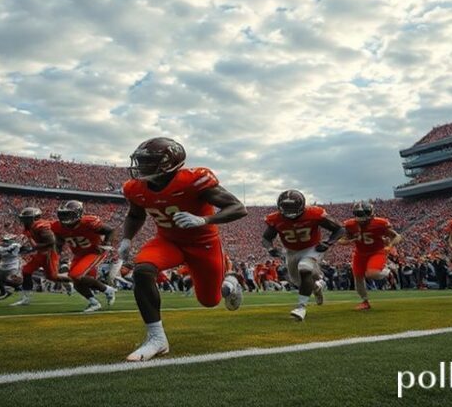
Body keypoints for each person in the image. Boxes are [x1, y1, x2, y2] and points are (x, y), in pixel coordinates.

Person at [119, 137, 247, 361]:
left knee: (210, 301)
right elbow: (135, 215)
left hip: (203, 244)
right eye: (141, 161)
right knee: (143, 270)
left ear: (169, 163)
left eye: (148, 162)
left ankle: (230, 284)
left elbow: (238, 207)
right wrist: (127, 239)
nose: (141, 167)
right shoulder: (135, 188)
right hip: (168, 240)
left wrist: (204, 220)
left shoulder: (193, 180)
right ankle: (157, 339)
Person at [262, 189, 344, 321]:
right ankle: (317, 287)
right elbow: (266, 238)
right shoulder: (275, 218)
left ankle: (301, 308)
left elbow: (339, 229)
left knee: (304, 268)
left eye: (292, 208)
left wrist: (328, 243)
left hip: (311, 248)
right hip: (291, 251)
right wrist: (270, 248)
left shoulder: (314, 213)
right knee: (298, 282)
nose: (290, 213)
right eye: (286, 208)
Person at [51, 200, 117, 312]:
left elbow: (110, 230)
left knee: (76, 275)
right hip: (79, 254)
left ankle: (107, 289)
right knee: (75, 280)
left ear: (78, 213)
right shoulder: (58, 227)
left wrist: (107, 244)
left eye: (68, 214)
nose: (65, 217)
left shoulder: (88, 222)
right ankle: (94, 302)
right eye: (63, 214)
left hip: (94, 251)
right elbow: (59, 243)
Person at [341, 200, 402, 311]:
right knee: (358, 277)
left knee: (371, 274)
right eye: (359, 215)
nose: (362, 219)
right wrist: (349, 240)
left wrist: (390, 246)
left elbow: (397, 236)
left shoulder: (379, 223)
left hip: (376, 252)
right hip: (359, 254)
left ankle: (388, 273)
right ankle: (365, 302)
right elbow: (341, 240)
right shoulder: (350, 225)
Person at [11, 207, 70, 306]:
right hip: (41, 253)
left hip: (49, 253)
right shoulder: (30, 227)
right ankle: (26, 299)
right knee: (26, 270)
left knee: (52, 277)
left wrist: (33, 248)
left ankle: (73, 280)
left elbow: (51, 242)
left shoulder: (41, 226)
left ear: (34, 218)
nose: (24, 221)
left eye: (26, 218)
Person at [0, 234, 22, 300]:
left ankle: (15, 290)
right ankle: (3, 292)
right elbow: (0, 255)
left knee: (11, 280)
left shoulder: (15, 246)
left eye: (6, 241)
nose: (4, 242)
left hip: (12, 266)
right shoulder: (2, 247)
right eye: (4, 241)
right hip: (3, 265)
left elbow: (12, 249)